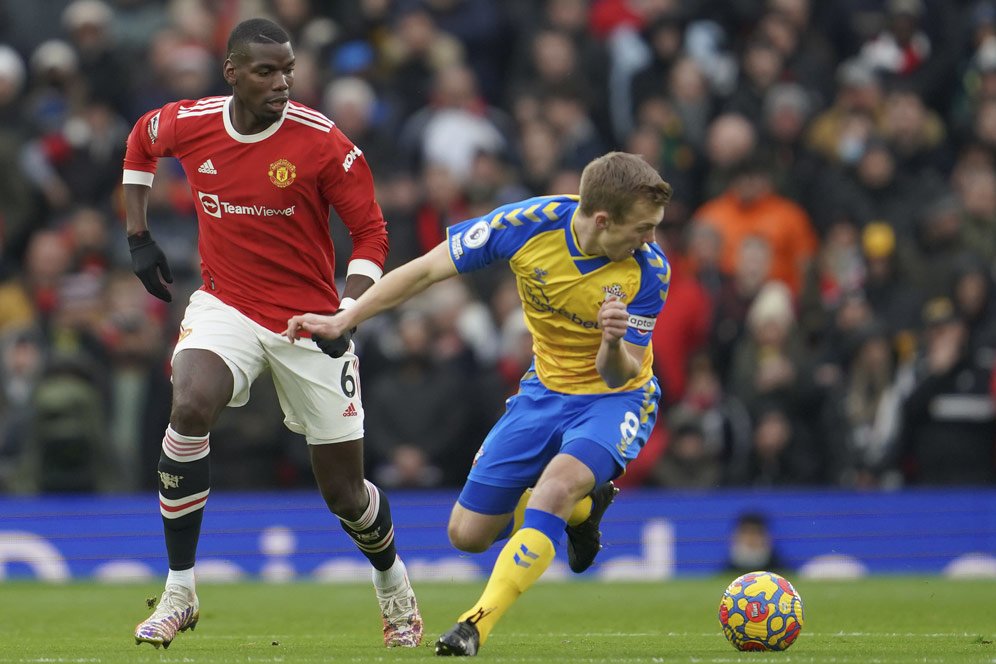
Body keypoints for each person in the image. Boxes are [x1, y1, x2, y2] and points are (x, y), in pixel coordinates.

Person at [285, 151, 674, 656]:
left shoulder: (650, 272)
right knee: (467, 535)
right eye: (643, 228)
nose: (651, 240)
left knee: (550, 490)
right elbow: (426, 270)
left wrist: (609, 342)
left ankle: (475, 624)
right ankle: (585, 509)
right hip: (544, 392)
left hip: (616, 397)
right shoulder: (526, 225)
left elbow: (620, 370)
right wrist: (345, 318)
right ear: (602, 220)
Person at [122, 18, 422, 649]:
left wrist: (349, 310)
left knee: (345, 494)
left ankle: (394, 587)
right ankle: (180, 592)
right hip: (226, 305)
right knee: (189, 404)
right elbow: (139, 143)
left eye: (288, 69)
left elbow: (371, 235)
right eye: (266, 71)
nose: (282, 82)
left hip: (310, 320)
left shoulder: (322, 143)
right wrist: (138, 235)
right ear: (231, 71)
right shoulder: (191, 122)